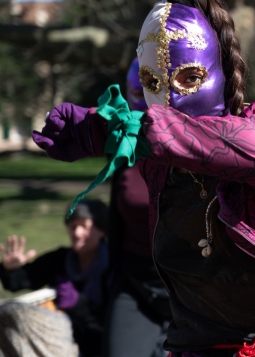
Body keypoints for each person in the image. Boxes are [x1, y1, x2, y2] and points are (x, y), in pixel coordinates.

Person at [31, 0, 255, 357]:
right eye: (152, 82)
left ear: (219, 70)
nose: (167, 99)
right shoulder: (159, 164)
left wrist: (161, 132)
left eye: (189, 78)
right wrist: (97, 130)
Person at [102, 57, 170, 357]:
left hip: (198, 289)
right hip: (136, 282)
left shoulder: (204, 147)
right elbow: (118, 216)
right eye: (140, 93)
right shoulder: (124, 144)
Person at [0, 199, 109, 357]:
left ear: (102, 230)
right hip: (61, 342)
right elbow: (21, 280)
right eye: (72, 226)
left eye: (84, 226)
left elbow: (118, 318)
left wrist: (79, 304)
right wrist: (10, 268)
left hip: (104, 344)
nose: (77, 233)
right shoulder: (60, 260)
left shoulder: (115, 266)